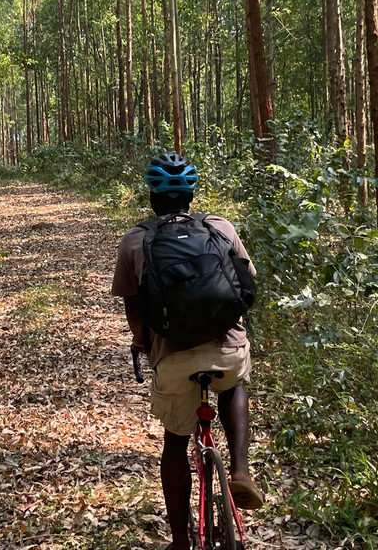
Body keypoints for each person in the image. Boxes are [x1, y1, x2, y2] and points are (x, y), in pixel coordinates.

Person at [112, 152, 264, 550]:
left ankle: (180, 540)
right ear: (192, 196)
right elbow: (247, 281)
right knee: (234, 384)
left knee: (175, 442)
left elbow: (134, 309)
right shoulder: (220, 226)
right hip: (227, 349)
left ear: (152, 197)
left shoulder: (135, 240)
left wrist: (143, 343)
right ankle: (241, 470)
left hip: (173, 358)